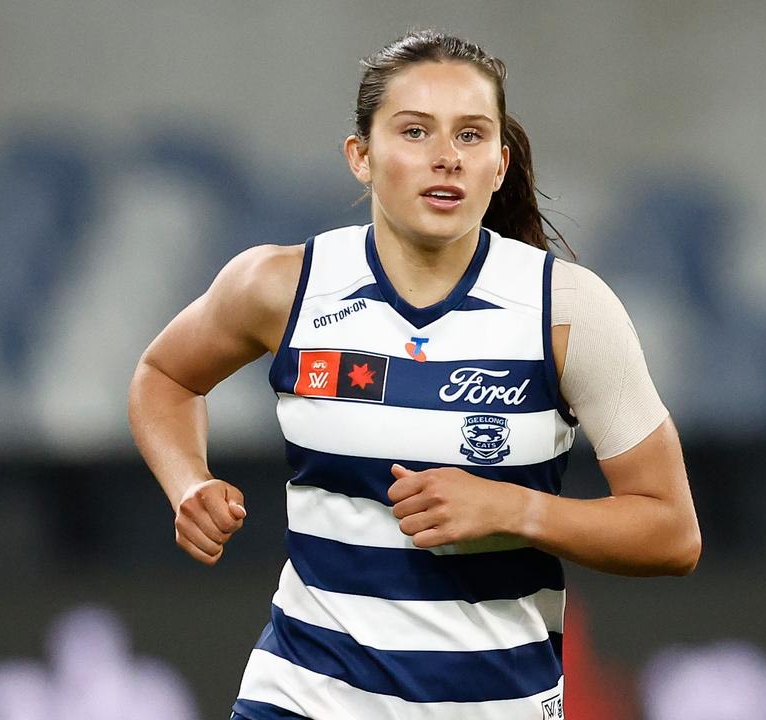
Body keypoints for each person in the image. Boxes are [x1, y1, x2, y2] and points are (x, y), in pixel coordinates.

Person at [128, 29, 700, 720]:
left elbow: (672, 532)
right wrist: (189, 480)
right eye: (415, 132)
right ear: (360, 158)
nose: (445, 159)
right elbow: (165, 376)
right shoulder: (281, 286)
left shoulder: (569, 311)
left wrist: (517, 510)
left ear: (499, 163)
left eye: (470, 136)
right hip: (303, 696)